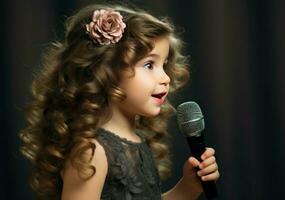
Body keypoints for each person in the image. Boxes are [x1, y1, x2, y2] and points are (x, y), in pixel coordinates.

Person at [19, 3, 220, 200]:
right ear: (108, 72)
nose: (165, 77)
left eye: (164, 64)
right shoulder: (91, 153)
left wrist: (186, 190)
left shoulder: (138, 140)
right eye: (149, 64)